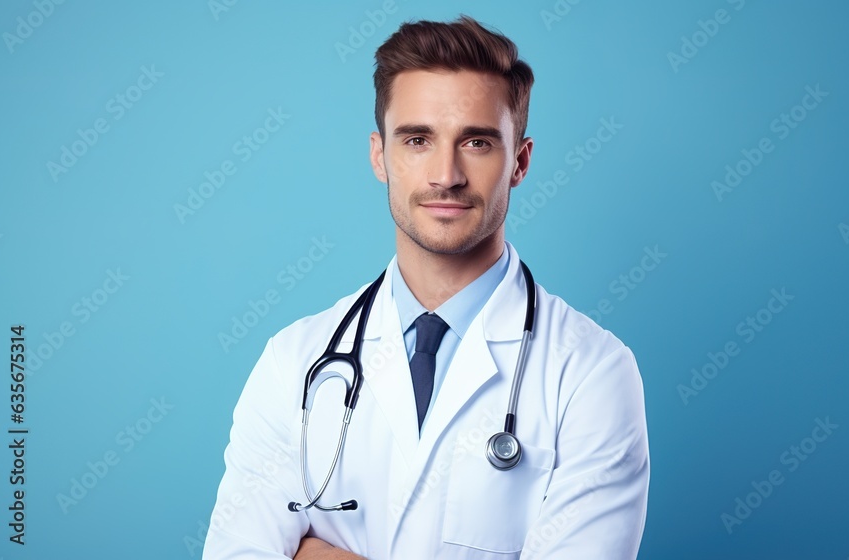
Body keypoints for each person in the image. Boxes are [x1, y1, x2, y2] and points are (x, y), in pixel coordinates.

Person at [202, 15, 649, 560]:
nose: (446, 174)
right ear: (379, 155)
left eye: (477, 142)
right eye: (417, 139)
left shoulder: (591, 373)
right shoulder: (295, 362)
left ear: (520, 162)